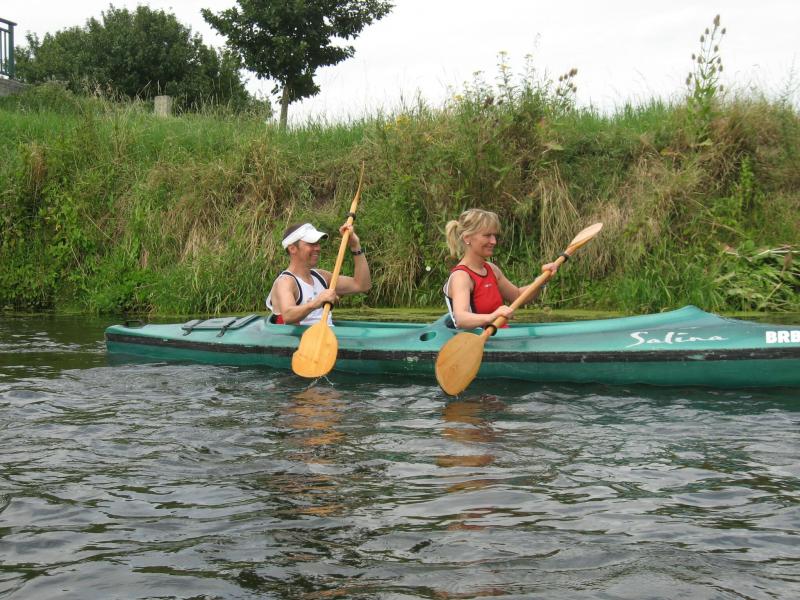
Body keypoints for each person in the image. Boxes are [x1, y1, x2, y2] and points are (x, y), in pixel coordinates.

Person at [443, 208, 558, 330]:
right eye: (487, 235)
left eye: (494, 235)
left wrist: (541, 281)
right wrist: (492, 316)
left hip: (501, 335)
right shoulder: (461, 277)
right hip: (477, 338)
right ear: (467, 238)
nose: (493, 241)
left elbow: (518, 295)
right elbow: (461, 319)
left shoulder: (492, 269)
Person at [266, 221, 371, 325]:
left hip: (328, 334)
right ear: (292, 248)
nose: (317, 248)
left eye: (317, 244)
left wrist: (355, 245)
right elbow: (288, 316)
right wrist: (317, 302)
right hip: (302, 335)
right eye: (311, 244)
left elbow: (362, 285)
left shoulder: (322, 277)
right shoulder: (285, 282)